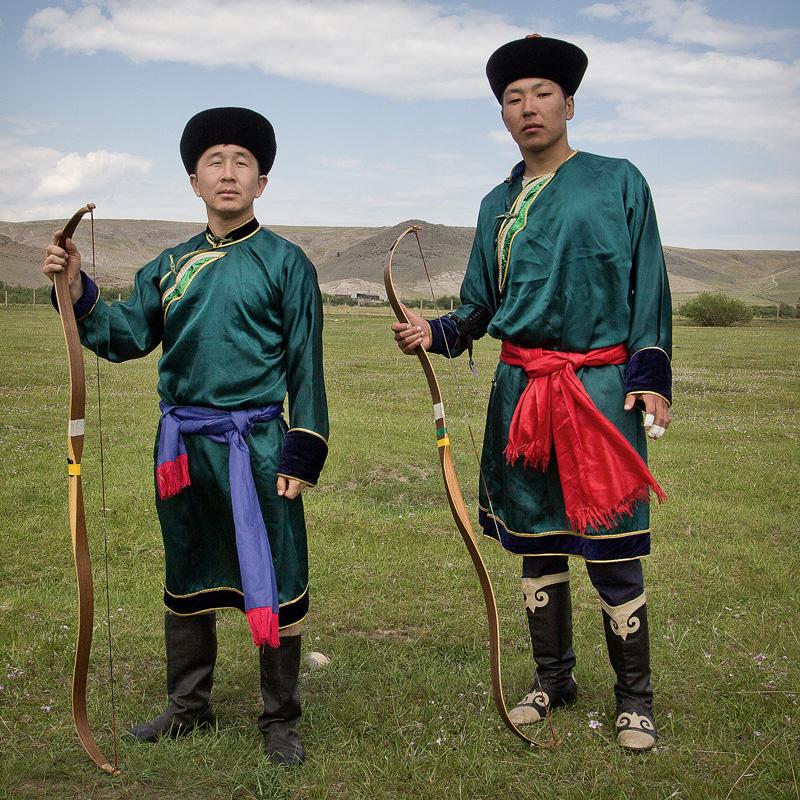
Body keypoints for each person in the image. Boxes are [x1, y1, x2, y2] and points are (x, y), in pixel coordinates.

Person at [391, 36, 672, 752]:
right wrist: (439, 332)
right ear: (504, 117)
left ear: (568, 103)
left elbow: (648, 284)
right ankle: (554, 679)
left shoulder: (618, 180)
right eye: (513, 99)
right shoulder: (497, 202)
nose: (528, 108)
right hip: (522, 392)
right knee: (537, 544)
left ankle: (634, 699)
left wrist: (649, 376)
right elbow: (480, 306)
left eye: (541, 93)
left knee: (610, 546)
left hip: (600, 389)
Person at [43, 107, 328, 766]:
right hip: (181, 449)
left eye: (242, 162)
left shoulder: (287, 264)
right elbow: (123, 336)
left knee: (277, 574)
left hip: (256, 445)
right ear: (193, 181)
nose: (228, 174)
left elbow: (306, 364)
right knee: (189, 568)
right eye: (214, 162)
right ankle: (188, 708)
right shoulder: (168, 267)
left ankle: (279, 717)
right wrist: (76, 286)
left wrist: (303, 446)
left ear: (262, 181)